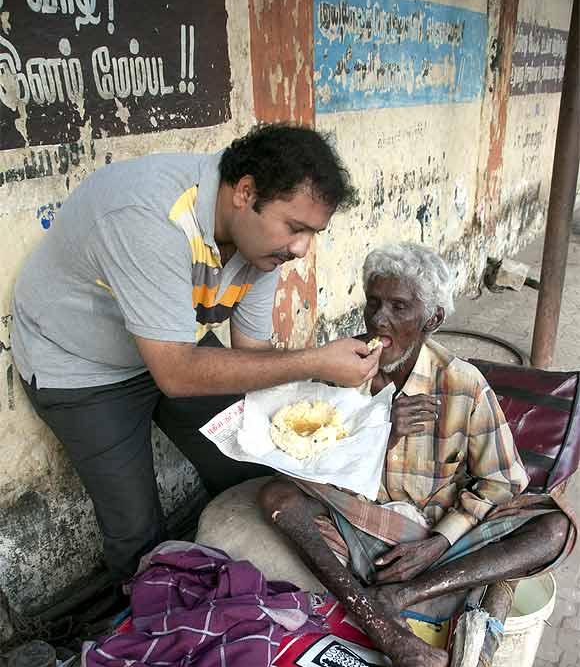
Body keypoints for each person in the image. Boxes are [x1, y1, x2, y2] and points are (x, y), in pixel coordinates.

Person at [11, 123, 381, 584]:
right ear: (245, 192)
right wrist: (314, 361)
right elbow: (178, 374)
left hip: (171, 344)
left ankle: (244, 585)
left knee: (247, 467)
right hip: (81, 368)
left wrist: (321, 390)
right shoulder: (151, 216)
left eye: (312, 233)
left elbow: (253, 354)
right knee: (139, 536)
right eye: (295, 228)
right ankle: (160, 627)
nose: (301, 249)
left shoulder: (263, 245)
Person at [255, 243, 577, 667]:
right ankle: (396, 638)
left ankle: (400, 597)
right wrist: (378, 432)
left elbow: (502, 481)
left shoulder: (460, 382)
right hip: (362, 529)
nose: (379, 320)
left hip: (433, 541)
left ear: (432, 320)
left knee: (557, 527)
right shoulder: (344, 371)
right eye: (373, 302)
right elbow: (316, 460)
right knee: (277, 494)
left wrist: (441, 541)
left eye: (399, 307)